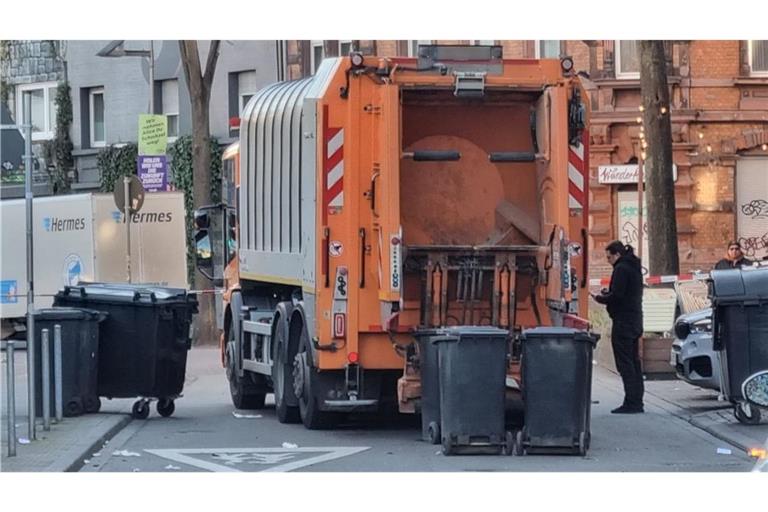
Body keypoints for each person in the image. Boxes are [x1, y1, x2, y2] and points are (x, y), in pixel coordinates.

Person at [591, 240, 645, 414]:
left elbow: (618, 295)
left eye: (609, 257)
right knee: (634, 362)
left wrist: (601, 298)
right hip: (635, 319)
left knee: (625, 363)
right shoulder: (634, 268)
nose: (608, 261)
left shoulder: (621, 269)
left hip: (623, 321)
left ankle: (631, 402)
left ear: (617, 255)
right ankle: (637, 400)